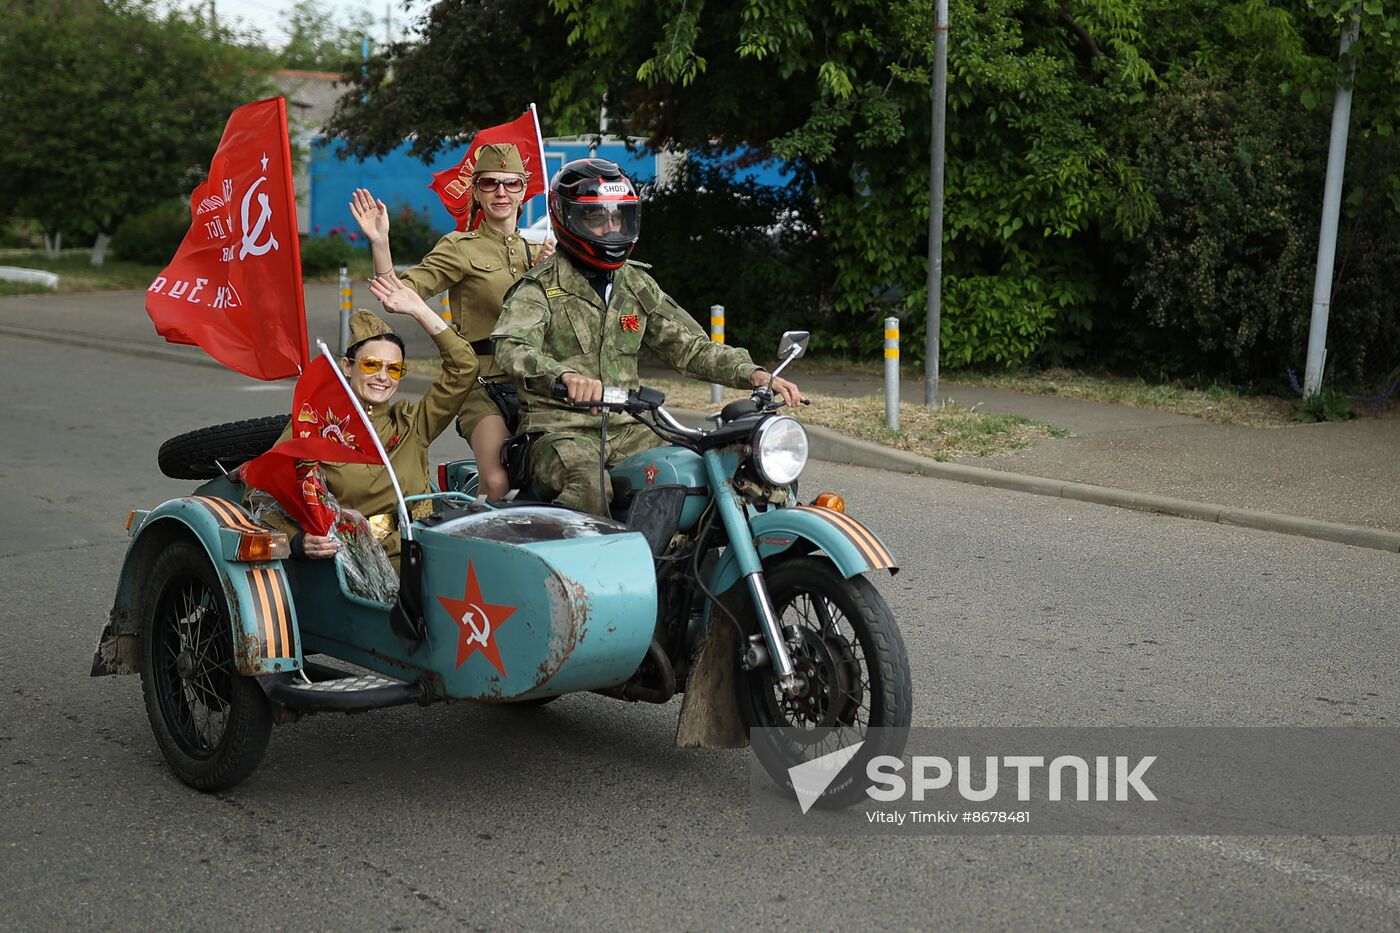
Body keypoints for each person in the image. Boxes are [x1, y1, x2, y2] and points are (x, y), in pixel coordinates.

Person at [492, 158, 805, 516]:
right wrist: (563, 377)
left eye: (617, 218)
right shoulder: (540, 288)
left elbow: (690, 347)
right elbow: (511, 346)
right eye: (596, 218)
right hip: (560, 431)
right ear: (567, 218)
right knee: (590, 485)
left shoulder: (636, 284)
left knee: (705, 469)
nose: (610, 228)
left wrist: (753, 373)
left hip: (630, 427)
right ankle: (570, 569)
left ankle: (683, 563)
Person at [349, 143, 554, 500]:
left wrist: (551, 273)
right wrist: (381, 243)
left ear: (525, 189)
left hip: (535, 381)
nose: (501, 192)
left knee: (555, 475)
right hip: (482, 384)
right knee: (496, 482)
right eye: (490, 183)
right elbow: (400, 292)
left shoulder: (544, 251)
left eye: (511, 183)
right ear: (475, 191)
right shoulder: (461, 247)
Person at [245, 277, 477, 566]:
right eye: (371, 365)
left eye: (394, 369)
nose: (383, 376)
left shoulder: (413, 424)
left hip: (418, 551)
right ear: (347, 366)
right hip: (353, 563)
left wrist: (420, 310)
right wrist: (298, 541)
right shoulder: (315, 426)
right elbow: (264, 495)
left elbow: (465, 367)